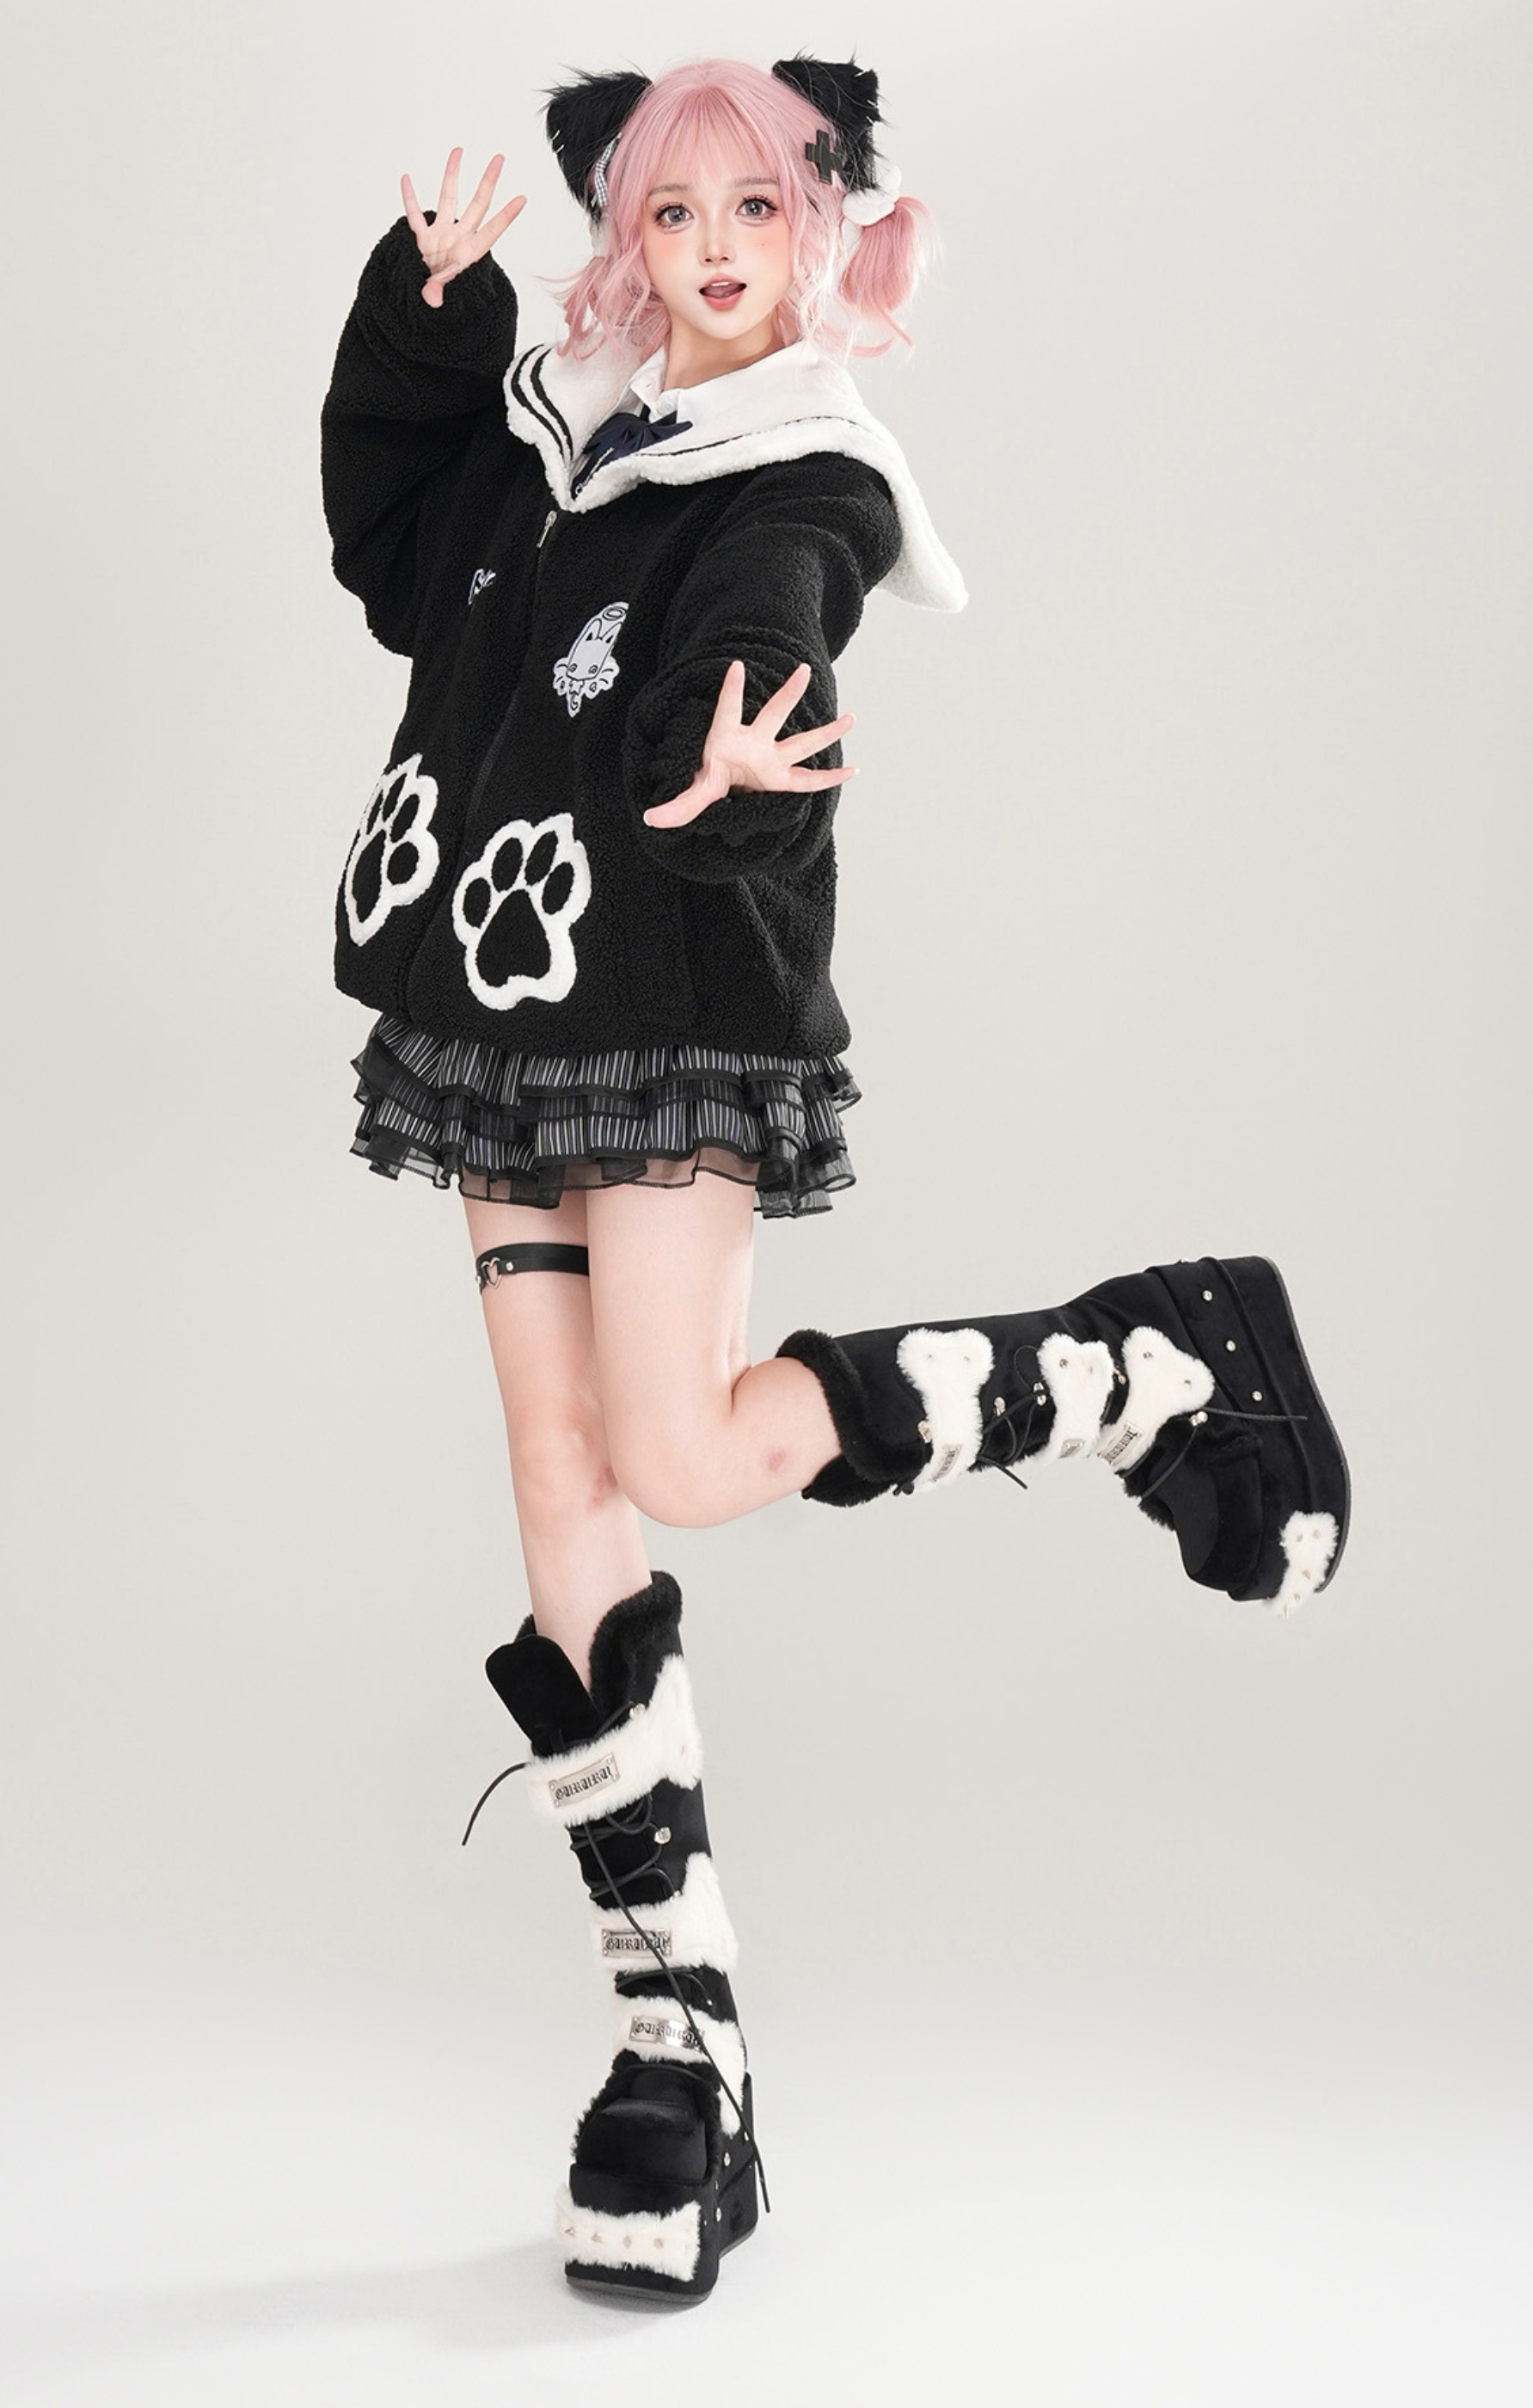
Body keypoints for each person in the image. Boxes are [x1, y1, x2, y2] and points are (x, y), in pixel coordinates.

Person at [321, 53, 1350, 2306]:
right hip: (505, 998)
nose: (713, 252)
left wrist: (734, 761)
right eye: (673, 213)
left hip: (669, 1005)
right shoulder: (569, 425)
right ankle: (678, 2051)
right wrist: (428, 320)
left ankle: (1153, 1363)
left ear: (828, 230)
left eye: (758, 211)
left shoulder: (800, 475)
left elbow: (768, 632)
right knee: (557, 1478)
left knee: (681, 1459)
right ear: (625, 233)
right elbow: (395, 562)